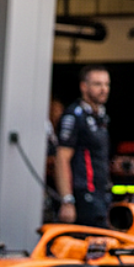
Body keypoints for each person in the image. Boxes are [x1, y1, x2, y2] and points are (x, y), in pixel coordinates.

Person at [55, 65, 111, 228]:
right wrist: (67, 200)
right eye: (97, 84)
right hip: (82, 195)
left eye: (106, 84)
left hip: (101, 194)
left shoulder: (101, 116)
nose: (104, 89)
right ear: (84, 86)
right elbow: (62, 158)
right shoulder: (74, 116)